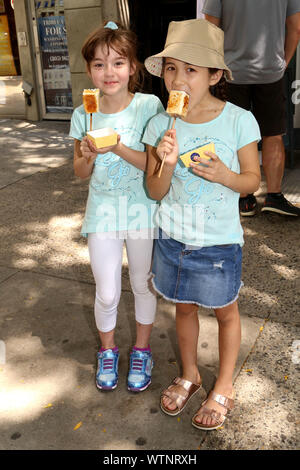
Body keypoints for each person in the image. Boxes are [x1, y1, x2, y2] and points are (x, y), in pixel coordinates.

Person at [142, 19, 261, 430]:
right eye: (171, 68)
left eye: (190, 70)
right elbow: (155, 191)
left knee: (226, 312)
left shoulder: (239, 120)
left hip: (219, 241)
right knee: (184, 308)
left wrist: (226, 176)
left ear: (214, 75)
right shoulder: (160, 125)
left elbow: (252, 181)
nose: (177, 79)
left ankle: (223, 384)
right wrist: (166, 164)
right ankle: (190, 374)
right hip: (174, 238)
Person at [69, 21, 164, 393]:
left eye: (117, 63)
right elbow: (79, 171)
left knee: (143, 286)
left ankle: (142, 349)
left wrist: (118, 147)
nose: (108, 72)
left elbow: (153, 166)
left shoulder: (149, 106)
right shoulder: (83, 114)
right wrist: (89, 153)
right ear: (89, 70)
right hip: (103, 215)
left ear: (133, 67)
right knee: (106, 292)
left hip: (142, 213)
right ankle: (107, 351)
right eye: (98, 64)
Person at [203, 0, 300, 217]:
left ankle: (242, 197)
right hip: (270, 71)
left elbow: (210, 29)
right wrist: (283, 63)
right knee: (273, 134)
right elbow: (296, 28)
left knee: (232, 135)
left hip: (231, 71)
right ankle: (274, 195)